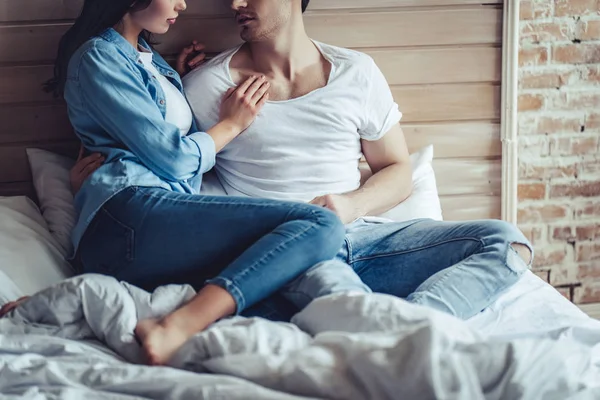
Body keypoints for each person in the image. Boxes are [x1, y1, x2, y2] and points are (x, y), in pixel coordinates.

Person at [69, 0, 534, 322]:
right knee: (341, 291)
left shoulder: (357, 73)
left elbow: (398, 171)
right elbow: (167, 153)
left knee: (505, 242)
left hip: (369, 238)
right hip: (291, 250)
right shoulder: (206, 87)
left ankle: (419, 323)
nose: (233, 5)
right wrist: (100, 168)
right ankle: (383, 334)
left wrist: (351, 206)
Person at [27, 0, 347, 366]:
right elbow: (175, 158)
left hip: (154, 221)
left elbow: (152, 138)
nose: (182, 3)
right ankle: (176, 326)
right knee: (319, 223)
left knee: (271, 277)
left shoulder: (147, 59)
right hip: (130, 213)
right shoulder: (98, 56)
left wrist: (176, 82)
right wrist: (232, 123)